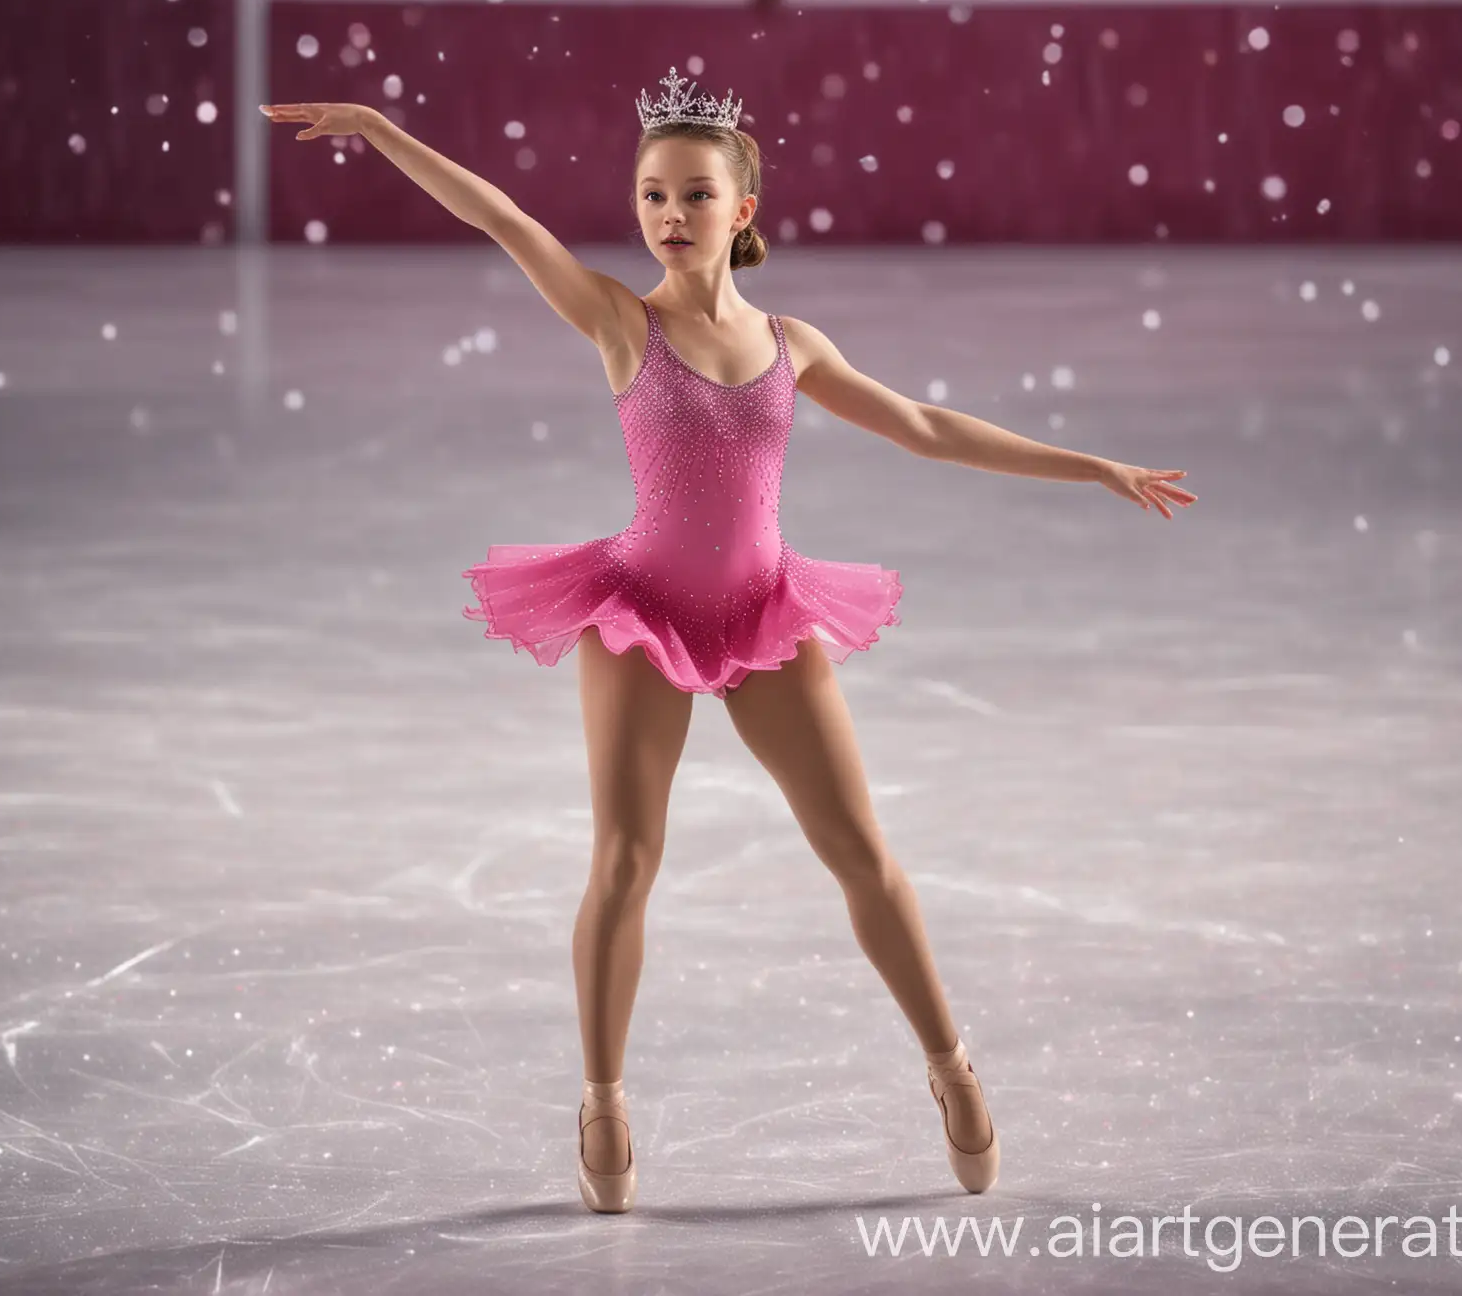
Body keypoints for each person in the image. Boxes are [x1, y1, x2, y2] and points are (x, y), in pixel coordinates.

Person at [259, 73, 1195, 1214]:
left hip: (762, 613)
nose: (669, 214)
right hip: (640, 611)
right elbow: (504, 217)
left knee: (861, 852)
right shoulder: (620, 320)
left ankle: (950, 1065)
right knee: (626, 861)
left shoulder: (792, 344)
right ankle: (602, 1096)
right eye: (652, 193)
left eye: (695, 194)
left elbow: (929, 428)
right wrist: (379, 131)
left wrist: (1091, 464)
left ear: (743, 207)